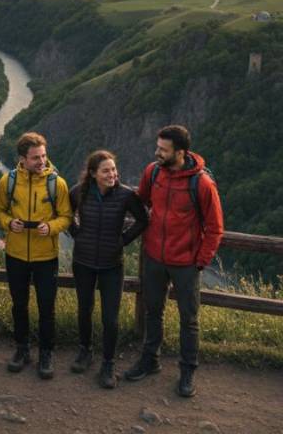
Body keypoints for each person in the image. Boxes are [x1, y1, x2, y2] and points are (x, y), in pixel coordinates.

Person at [124, 125, 223, 398]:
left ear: (180, 152)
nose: (157, 153)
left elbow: (215, 228)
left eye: (163, 150)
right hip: (154, 257)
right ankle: (150, 360)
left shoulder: (202, 184)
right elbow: (141, 201)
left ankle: (188, 370)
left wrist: (200, 262)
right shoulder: (153, 172)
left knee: (188, 319)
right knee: (152, 311)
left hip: (186, 263)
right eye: (157, 147)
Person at [0, 131, 72, 379]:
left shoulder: (57, 184)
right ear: (22, 159)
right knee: (19, 305)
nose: (42, 161)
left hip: (46, 256)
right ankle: (22, 349)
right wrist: (9, 223)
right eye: (35, 157)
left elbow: (66, 217)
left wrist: (51, 227)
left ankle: (46, 353)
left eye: (43, 156)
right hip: (16, 254)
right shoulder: (7, 182)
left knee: (46, 307)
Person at [69, 150, 148, 388]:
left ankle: (108, 363)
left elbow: (143, 220)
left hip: (112, 265)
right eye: (106, 171)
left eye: (113, 169)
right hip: (83, 262)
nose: (112, 174)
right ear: (93, 173)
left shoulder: (126, 195)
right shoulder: (78, 192)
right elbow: (64, 214)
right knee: (84, 309)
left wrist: (122, 241)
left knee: (110, 318)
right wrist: (77, 235)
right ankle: (85, 351)